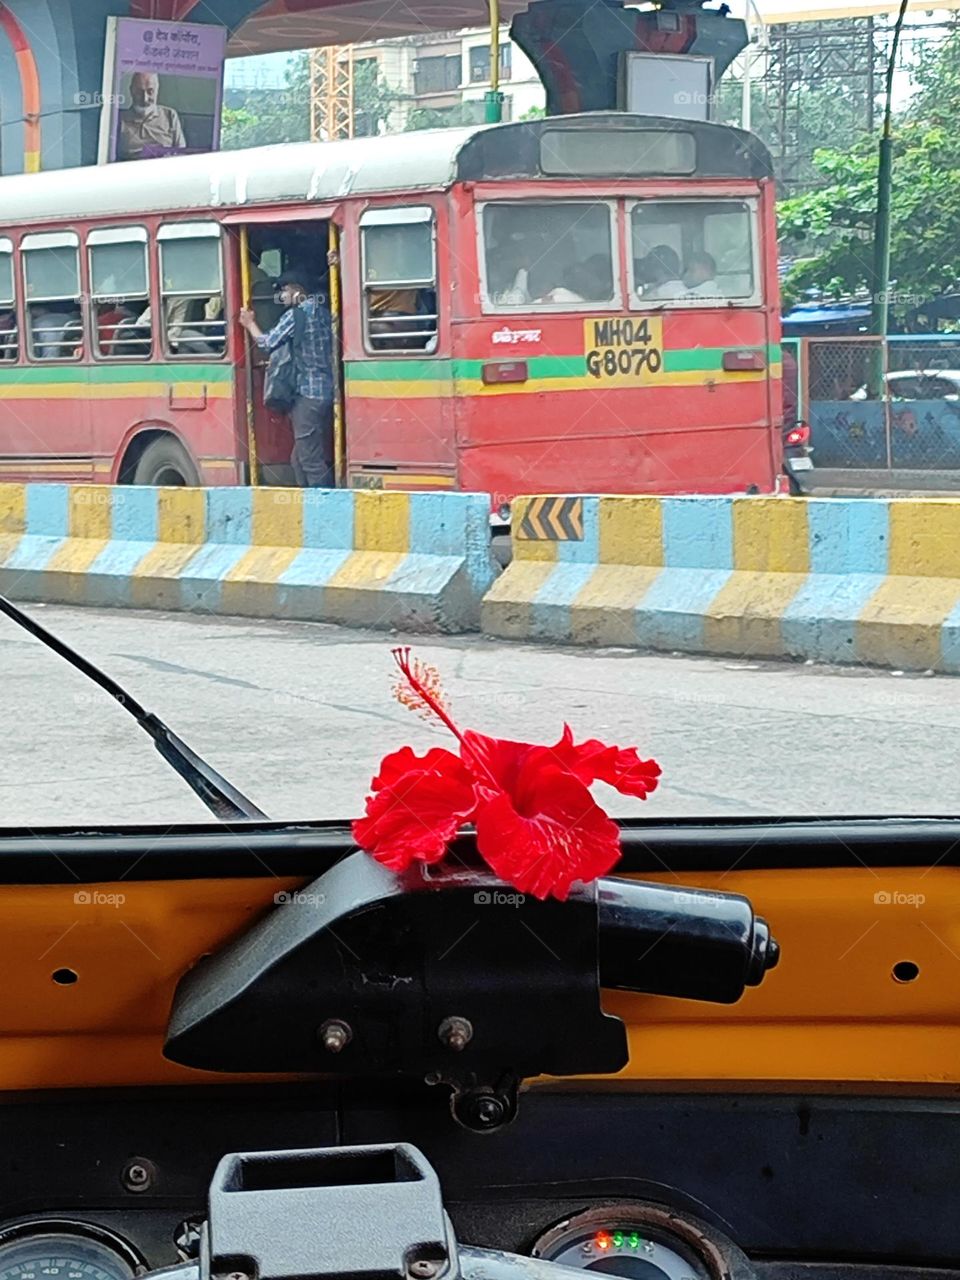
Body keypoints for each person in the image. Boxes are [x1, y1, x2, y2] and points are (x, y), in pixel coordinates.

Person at [239, 269, 334, 488]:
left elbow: (267, 343)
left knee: (310, 460)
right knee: (298, 459)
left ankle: (323, 508)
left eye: (285, 290)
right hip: (326, 392)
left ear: (297, 290)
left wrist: (249, 323)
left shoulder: (296, 315)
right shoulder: (324, 312)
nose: (282, 295)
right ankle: (305, 503)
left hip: (307, 394)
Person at [117, 72, 186, 161]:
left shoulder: (170, 115)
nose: (145, 98)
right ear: (131, 91)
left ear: (157, 90)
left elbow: (181, 154)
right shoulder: (119, 119)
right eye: (139, 92)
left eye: (150, 91)